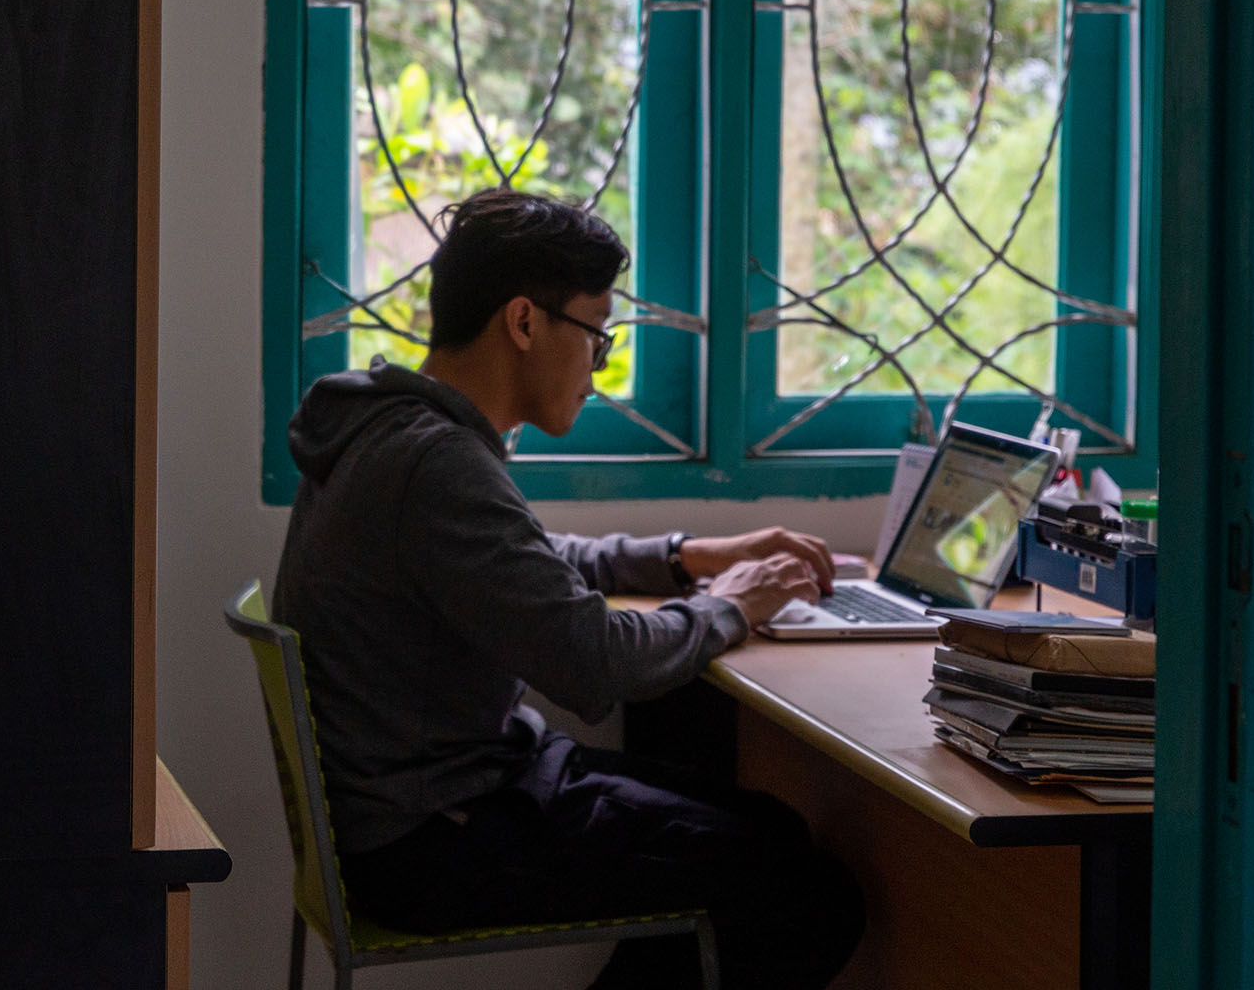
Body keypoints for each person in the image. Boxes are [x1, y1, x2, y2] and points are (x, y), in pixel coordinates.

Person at [272, 188, 865, 988]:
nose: (599, 369)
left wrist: (690, 555)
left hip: (424, 805)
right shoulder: (435, 462)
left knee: (765, 827)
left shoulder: (388, 429)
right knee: (802, 892)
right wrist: (734, 604)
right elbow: (592, 663)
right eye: (596, 336)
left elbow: (532, 564)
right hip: (430, 838)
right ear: (524, 323)